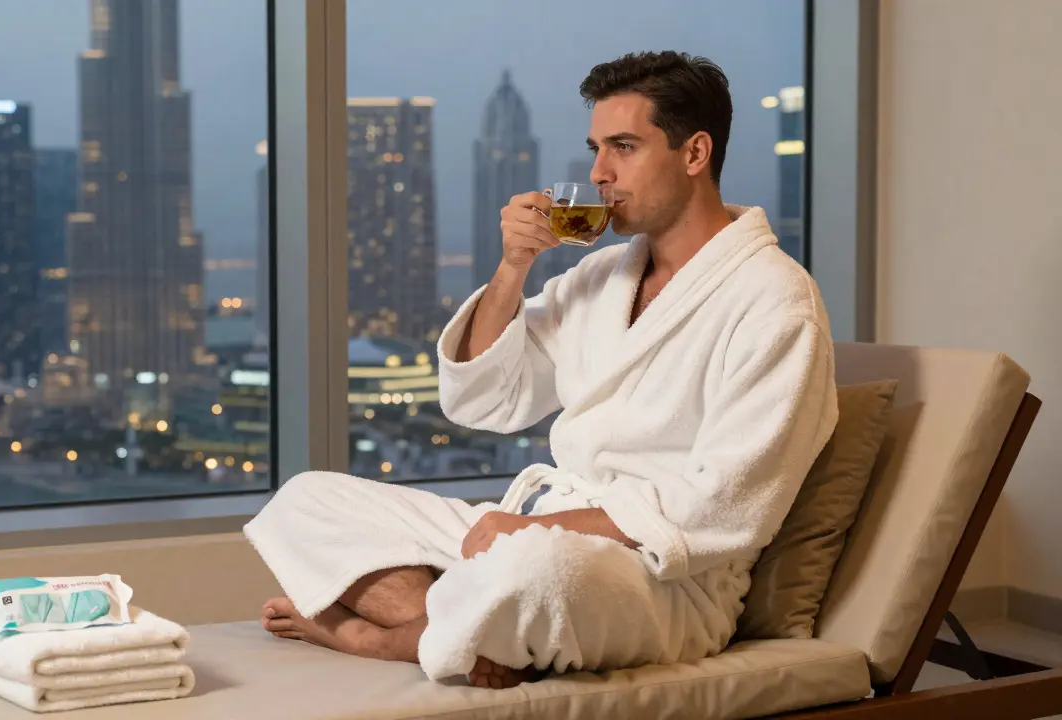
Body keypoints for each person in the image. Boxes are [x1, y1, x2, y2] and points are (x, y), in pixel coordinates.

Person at [242, 50, 838, 690]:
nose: (599, 173)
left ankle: (386, 637)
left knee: (538, 574)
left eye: (624, 147)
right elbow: (487, 400)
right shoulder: (602, 276)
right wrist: (512, 268)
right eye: (595, 149)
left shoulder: (775, 301)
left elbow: (722, 509)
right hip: (533, 529)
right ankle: (470, 629)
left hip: (662, 581)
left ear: (695, 153)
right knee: (303, 501)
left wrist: (531, 531)